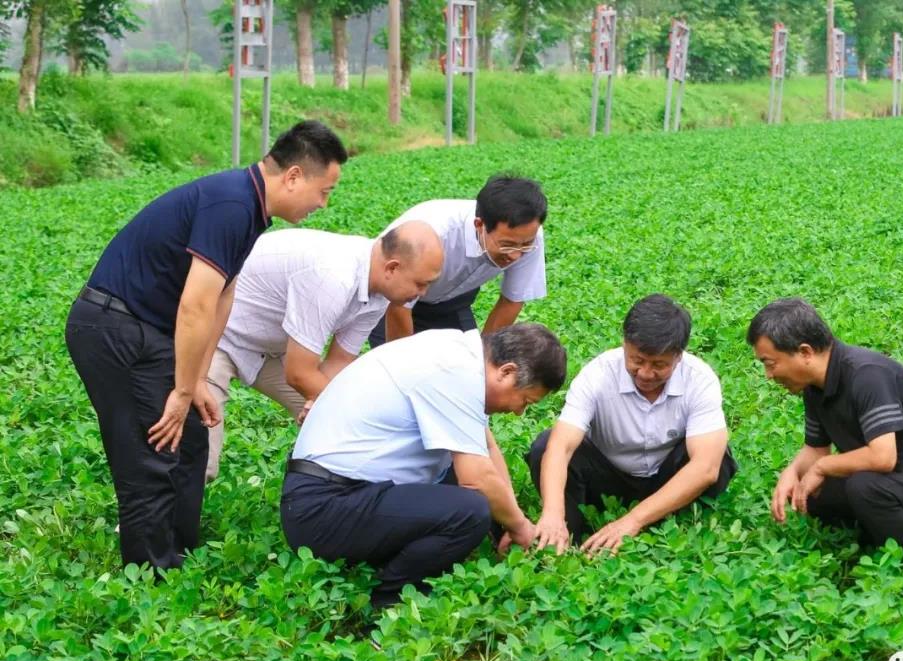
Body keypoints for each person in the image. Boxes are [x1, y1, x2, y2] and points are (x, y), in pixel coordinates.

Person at [65, 120, 348, 570]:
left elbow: (223, 298)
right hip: (112, 328)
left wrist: (195, 382)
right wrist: (178, 391)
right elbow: (195, 305)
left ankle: (179, 551)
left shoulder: (251, 210)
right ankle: (150, 574)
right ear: (293, 176)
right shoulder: (232, 203)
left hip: (146, 330)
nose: (323, 203)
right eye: (324, 190)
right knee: (151, 450)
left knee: (193, 435)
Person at [281, 323, 567, 608]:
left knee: (477, 488)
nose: (519, 413)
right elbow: (477, 478)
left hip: (336, 494)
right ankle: (393, 596)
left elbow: (487, 450)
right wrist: (520, 527)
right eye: (525, 401)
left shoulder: (459, 356)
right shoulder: (454, 373)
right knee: (471, 510)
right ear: (507, 372)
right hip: (322, 510)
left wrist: (508, 523)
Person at [204, 221, 444, 479]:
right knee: (202, 462)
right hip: (219, 337)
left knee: (342, 426)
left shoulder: (379, 291)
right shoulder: (334, 276)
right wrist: (335, 403)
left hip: (276, 346)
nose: (422, 293)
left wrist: (320, 404)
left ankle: (323, 493)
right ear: (392, 268)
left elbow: (337, 363)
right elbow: (299, 374)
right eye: (420, 284)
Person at [747, 297, 903, 551]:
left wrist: (822, 466)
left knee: (864, 486)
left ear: (805, 352)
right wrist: (793, 473)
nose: (769, 375)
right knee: (814, 490)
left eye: (771, 364)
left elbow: (883, 458)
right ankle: (876, 540)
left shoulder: (866, 374)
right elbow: (815, 450)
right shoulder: (815, 389)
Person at [530, 294, 737, 556]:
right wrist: (552, 513)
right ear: (625, 344)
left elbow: (705, 468)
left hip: (667, 477)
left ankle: (666, 525)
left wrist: (633, 520)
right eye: (637, 360)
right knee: (545, 445)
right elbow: (560, 447)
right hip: (608, 478)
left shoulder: (700, 379)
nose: (646, 373)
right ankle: (565, 534)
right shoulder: (598, 374)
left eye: (659, 365)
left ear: (678, 356)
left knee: (717, 456)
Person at [367, 175, 548, 346]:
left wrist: (485, 362)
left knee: (465, 366)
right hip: (391, 300)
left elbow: (512, 300)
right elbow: (399, 307)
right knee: (399, 369)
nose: (515, 255)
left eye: (524, 245)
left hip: (450, 302)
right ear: (479, 225)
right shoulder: (435, 234)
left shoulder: (529, 235)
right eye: (506, 245)